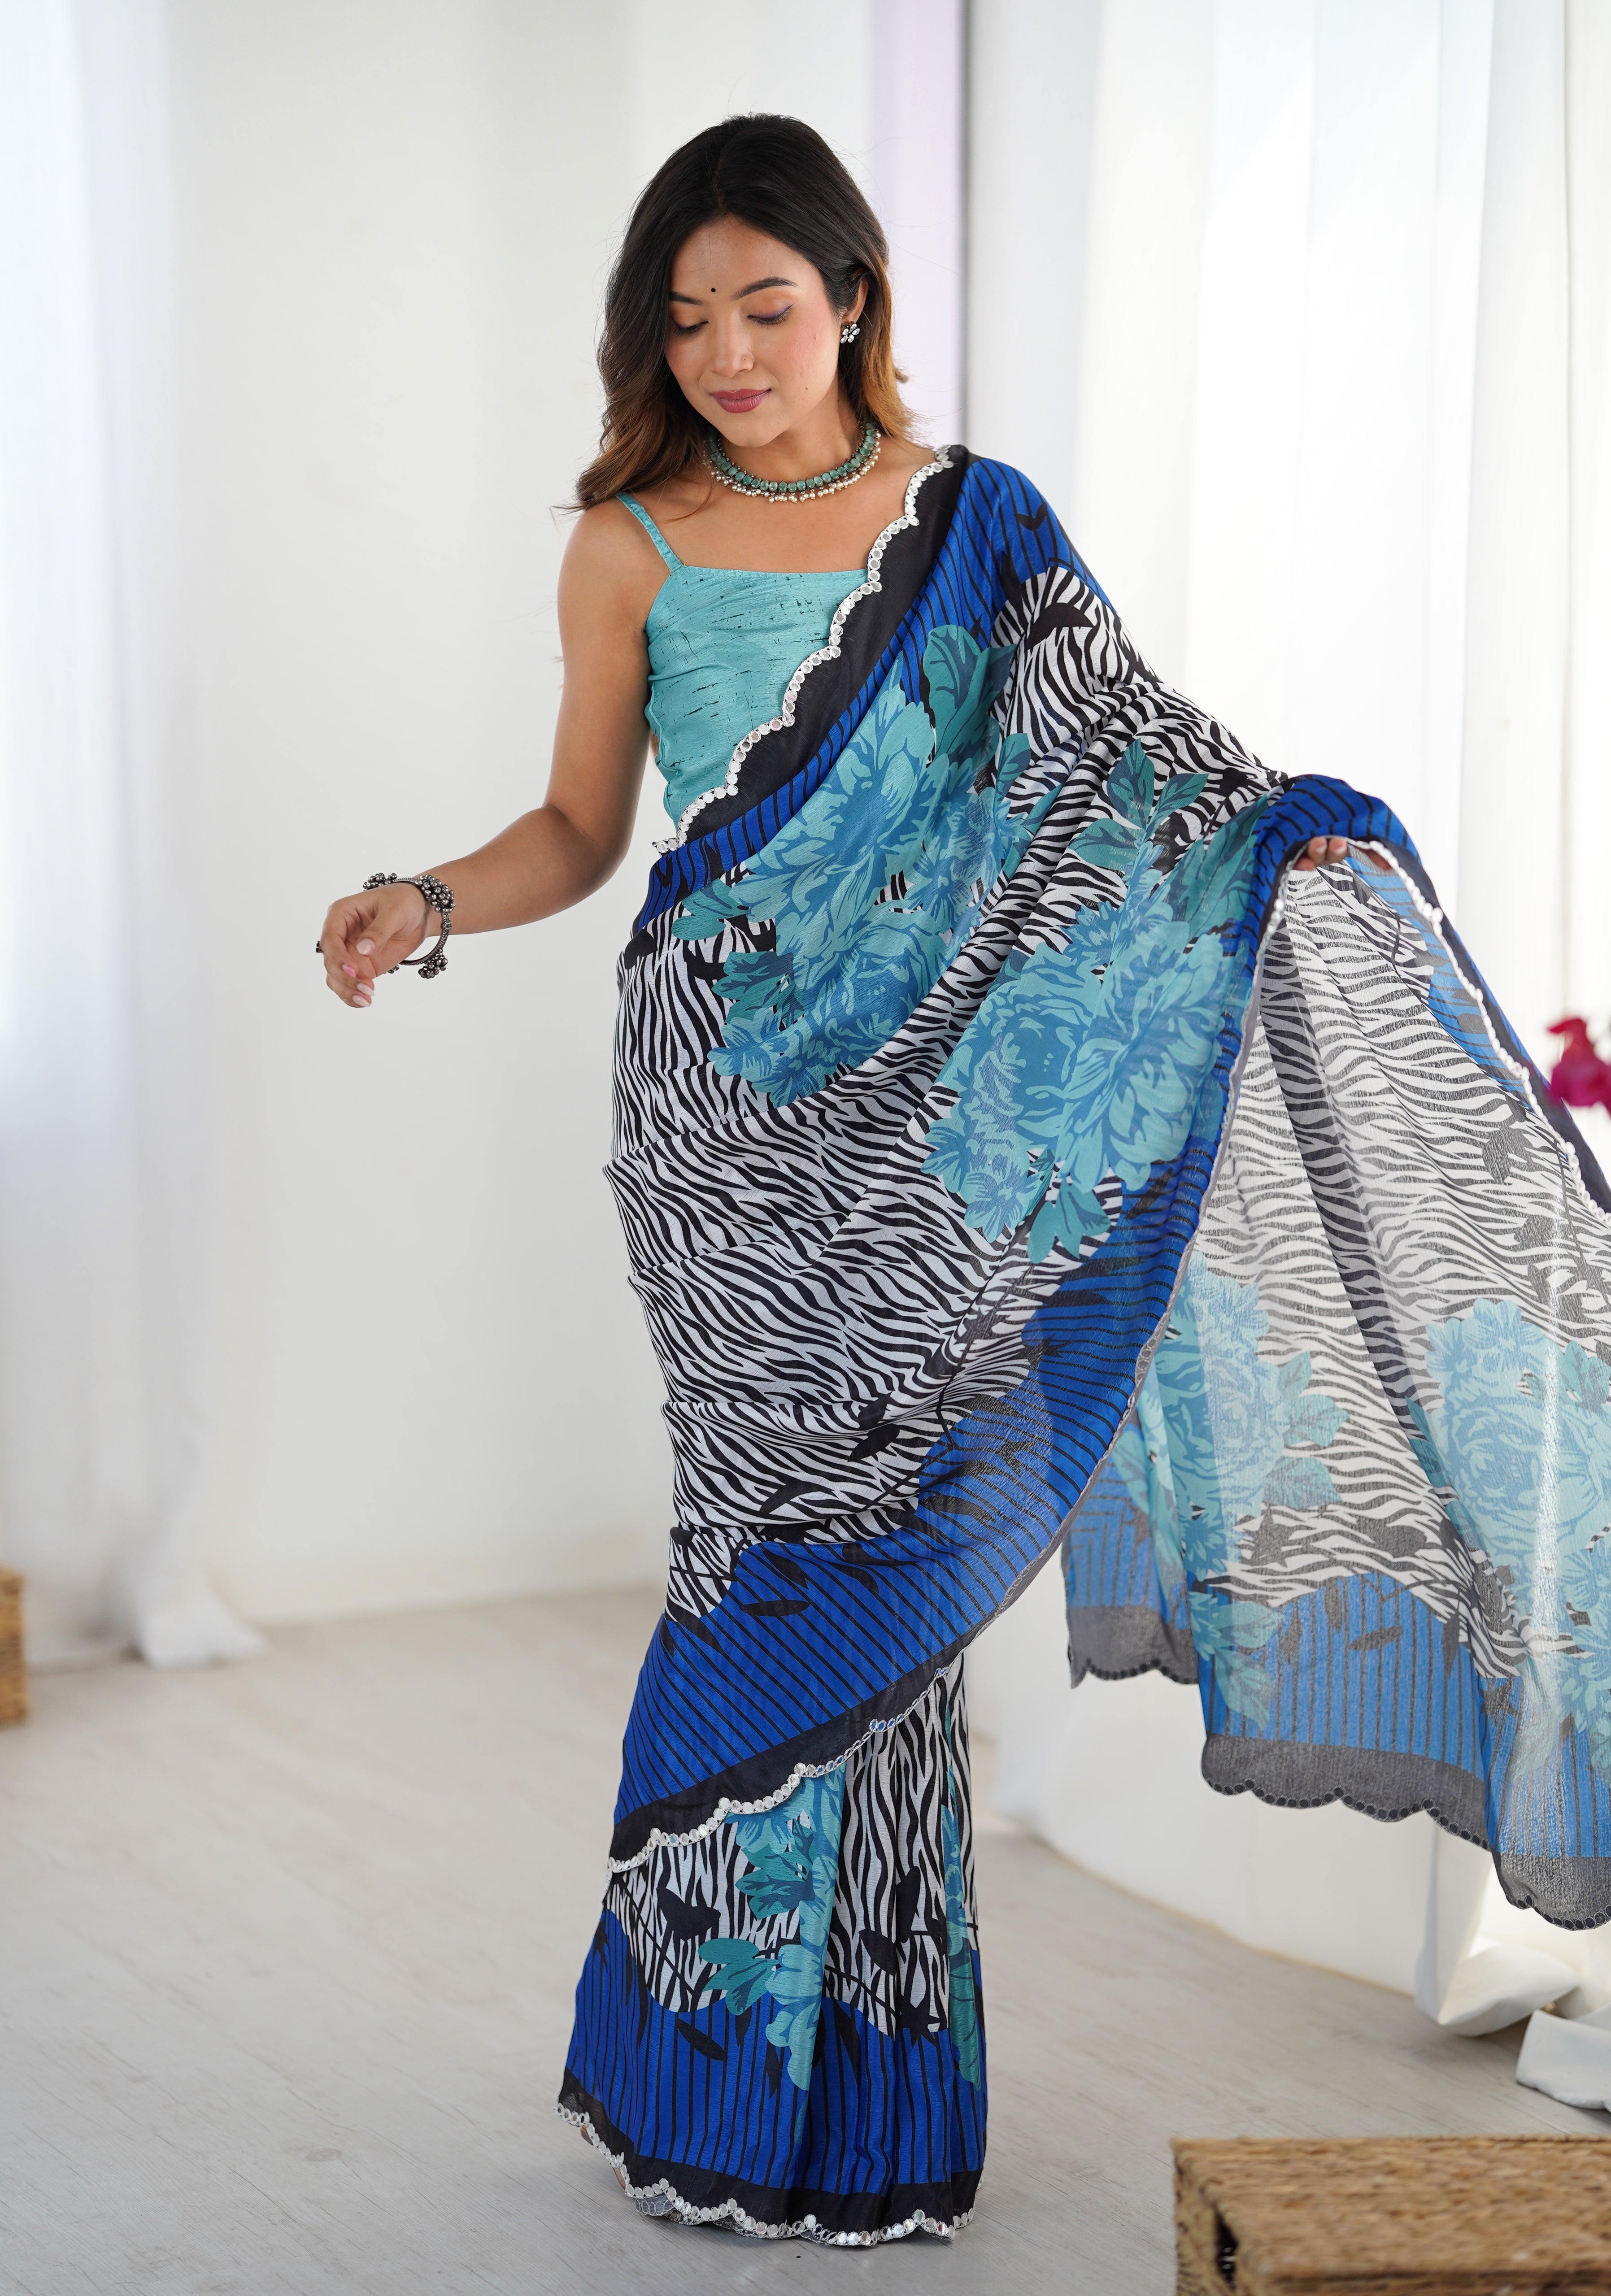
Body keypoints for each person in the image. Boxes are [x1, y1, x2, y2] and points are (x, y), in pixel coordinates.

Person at [317, 116, 1611, 2249]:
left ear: (852, 301)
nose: (732, 353)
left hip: (935, 1142)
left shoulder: (977, 528)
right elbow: (574, 825)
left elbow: (1137, 778)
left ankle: (869, 2097)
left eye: (767, 304)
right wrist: (424, 898)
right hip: (724, 1130)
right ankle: (709, 2070)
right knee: (764, 1563)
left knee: (898, 1597)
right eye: (687, 320)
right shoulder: (626, 542)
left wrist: (1283, 834)